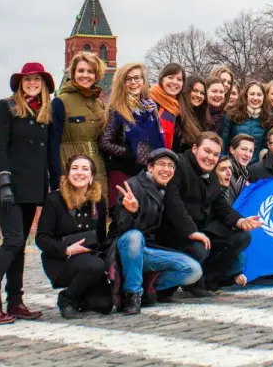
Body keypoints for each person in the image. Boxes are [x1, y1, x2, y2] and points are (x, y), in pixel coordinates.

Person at [0, 62, 56, 324]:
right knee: (12, 241)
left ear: (43, 84)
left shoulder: (44, 112)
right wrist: (4, 183)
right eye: (27, 79)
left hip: (31, 187)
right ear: (20, 84)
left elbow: (48, 152)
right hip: (9, 187)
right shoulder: (7, 106)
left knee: (19, 246)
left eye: (37, 79)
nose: (32, 83)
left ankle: (15, 301)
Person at [159, 132, 263, 294]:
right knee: (200, 248)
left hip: (202, 230)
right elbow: (173, 202)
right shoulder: (179, 164)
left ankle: (205, 279)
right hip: (176, 231)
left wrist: (241, 221)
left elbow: (220, 205)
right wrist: (191, 231)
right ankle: (183, 281)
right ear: (195, 148)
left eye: (215, 154)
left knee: (242, 237)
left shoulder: (212, 173)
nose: (211, 158)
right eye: (207, 151)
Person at [109, 149, 203, 315]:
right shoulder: (133, 186)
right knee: (134, 236)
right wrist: (133, 211)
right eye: (161, 164)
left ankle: (148, 289)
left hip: (149, 249)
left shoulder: (168, 189)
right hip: (126, 248)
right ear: (150, 167)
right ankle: (132, 295)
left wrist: (190, 231)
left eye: (171, 166)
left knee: (193, 270)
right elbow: (122, 225)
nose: (166, 169)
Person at [35, 155, 112, 318]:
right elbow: (41, 238)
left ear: (91, 176)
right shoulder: (54, 200)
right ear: (68, 174)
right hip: (61, 260)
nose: (79, 173)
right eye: (74, 168)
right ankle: (67, 299)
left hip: (90, 260)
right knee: (95, 266)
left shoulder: (98, 201)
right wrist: (67, 250)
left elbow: (101, 237)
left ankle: (81, 294)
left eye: (85, 169)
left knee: (103, 305)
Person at [99, 63, 165, 208]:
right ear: (122, 83)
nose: (133, 82)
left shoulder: (151, 108)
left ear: (143, 81)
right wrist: (128, 152)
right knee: (124, 216)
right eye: (128, 79)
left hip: (147, 173)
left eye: (137, 78)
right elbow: (104, 142)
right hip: (124, 172)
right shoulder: (116, 109)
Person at [50, 51, 107, 196]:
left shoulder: (99, 104)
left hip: (97, 171)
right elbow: (52, 143)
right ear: (73, 73)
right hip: (71, 170)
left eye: (90, 71)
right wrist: (57, 179)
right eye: (81, 71)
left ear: (96, 76)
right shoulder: (60, 102)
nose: (85, 75)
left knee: (98, 209)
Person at [222, 81, 269, 161]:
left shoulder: (266, 119)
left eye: (259, 95)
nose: (255, 98)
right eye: (252, 94)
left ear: (264, 97)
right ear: (246, 96)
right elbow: (224, 143)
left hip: (254, 164)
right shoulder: (231, 115)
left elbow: (264, 146)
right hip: (232, 163)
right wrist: (224, 162)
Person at [149, 63, 185, 151]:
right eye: (170, 77)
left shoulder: (181, 105)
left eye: (179, 79)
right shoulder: (148, 101)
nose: (175, 82)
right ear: (161, 80)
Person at [174, 76, 208, 155]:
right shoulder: (177, 115)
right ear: (186, 91)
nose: (198, 95)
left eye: (202, 93)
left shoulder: (202, 117)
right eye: (195, 91)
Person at [224, 134, 254, 204]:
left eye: (251, 151)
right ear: (232, 150)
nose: (247, 155)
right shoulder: (223, 171)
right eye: (244, 149)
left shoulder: (245, 174)